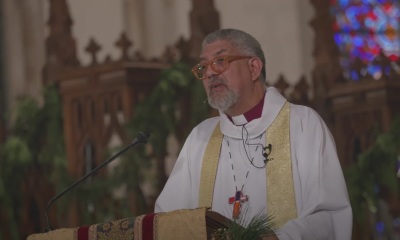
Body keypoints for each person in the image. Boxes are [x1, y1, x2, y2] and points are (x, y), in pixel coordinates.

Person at [154, 28, 352, 239]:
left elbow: (329, 215)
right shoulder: (200, 138)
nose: (210, 73)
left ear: (254, 67)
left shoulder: (302, 124)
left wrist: (281, 237)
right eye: (203, 66)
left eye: (220, 61)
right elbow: (168, 220)